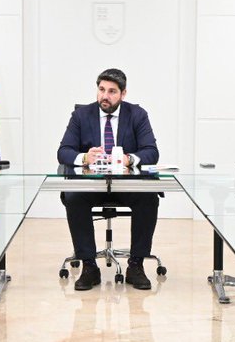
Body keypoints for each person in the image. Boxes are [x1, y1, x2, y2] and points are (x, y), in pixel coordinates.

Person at [57, 68, 160, 291]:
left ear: (123, 94)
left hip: (126, 184)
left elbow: (151, 151)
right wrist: (84, 157)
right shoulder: (81, 115)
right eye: (101, 90)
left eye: (112, 91)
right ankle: (89, 266)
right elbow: (63, 151)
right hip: (93, 185)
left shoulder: (137, 115)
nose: (105, 96)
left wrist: (128, 159)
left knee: (149, 198)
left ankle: (136, 265)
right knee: (74, 197)